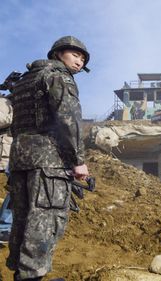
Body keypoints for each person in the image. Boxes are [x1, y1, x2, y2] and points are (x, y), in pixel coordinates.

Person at [7, 36, 90, 281]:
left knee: (21, 219)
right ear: (58, 53)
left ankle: (20, 272)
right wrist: (78, 160)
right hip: (49, 162)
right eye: (75, 55)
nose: (79, 61)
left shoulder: (25, 81)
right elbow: (69, 120)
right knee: (44, 220)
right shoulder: (59, 77)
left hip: (21, 159)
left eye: (82, 59)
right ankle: (32, 276)